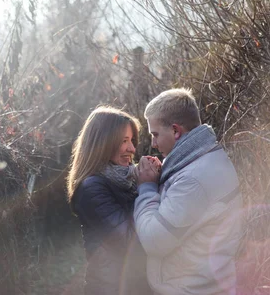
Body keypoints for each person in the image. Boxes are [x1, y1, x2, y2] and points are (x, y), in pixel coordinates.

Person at [135, 88, 243, 295]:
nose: (154, 144)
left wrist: (147, 188)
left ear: (176, 131)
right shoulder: (206, 157)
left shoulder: (192, 180)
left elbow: (153, 240)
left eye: (155, 135)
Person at [66, 106, 152, 295]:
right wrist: (148, 187)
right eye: (124, 141)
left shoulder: (127, 179)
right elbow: (131, 244)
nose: (132, 148)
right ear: (103, 144)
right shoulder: (92, 188)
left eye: (132, 140)